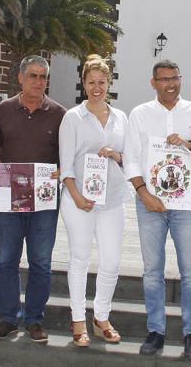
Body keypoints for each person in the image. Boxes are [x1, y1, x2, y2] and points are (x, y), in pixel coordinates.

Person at [123, 60, 191, 360]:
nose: (170, 84)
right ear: (153, 83)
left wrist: (190, 145)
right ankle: (156, 331)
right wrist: (142, 193)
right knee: (152, 272)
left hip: (188, 201)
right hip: (150, 202)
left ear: (181, 79)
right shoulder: (139, 115)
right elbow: (131, 157)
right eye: (163, 79)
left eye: (175, 78)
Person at [0, 55, 66, 343]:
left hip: (44, 201)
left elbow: (64, 156)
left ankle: (34, 320)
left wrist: (59, 172)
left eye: (43, 76)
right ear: (20, 78)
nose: (38, 81)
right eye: (32, 76)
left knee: (41, 262)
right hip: (7, 198)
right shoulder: (5, 110)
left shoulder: (59, 113)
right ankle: (8, 318)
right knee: (7, 259)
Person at [58, 54, 128, 347]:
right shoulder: (73, 117)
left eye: (101, 82)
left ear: (108, 82)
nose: (96, 87)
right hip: (79, 200)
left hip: (112, 199)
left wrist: (116, 154)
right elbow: (66, 163)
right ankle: (78, 319)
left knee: (111, 261)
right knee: (80, 259)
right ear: (83, 83)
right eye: (91, 82)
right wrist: (76, 196)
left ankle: (101, 316)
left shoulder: (121, 117)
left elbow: (130, 160)